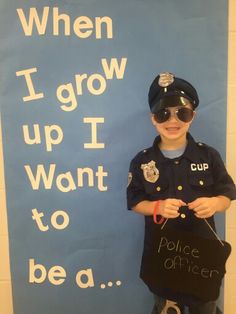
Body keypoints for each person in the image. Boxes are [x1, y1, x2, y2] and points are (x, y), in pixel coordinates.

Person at [126, 72, 236, 314]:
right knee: (166, 307)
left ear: (192, 117)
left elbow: (227, 193)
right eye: (163, 113)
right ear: (153, 119)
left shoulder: (209, 156)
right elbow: (134, 201)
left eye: (182, 113)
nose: (172, 121)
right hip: (162, 256)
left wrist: (215, 203)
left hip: (203, 258)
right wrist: (156, 207)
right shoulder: (142, 161)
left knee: (205, 307)